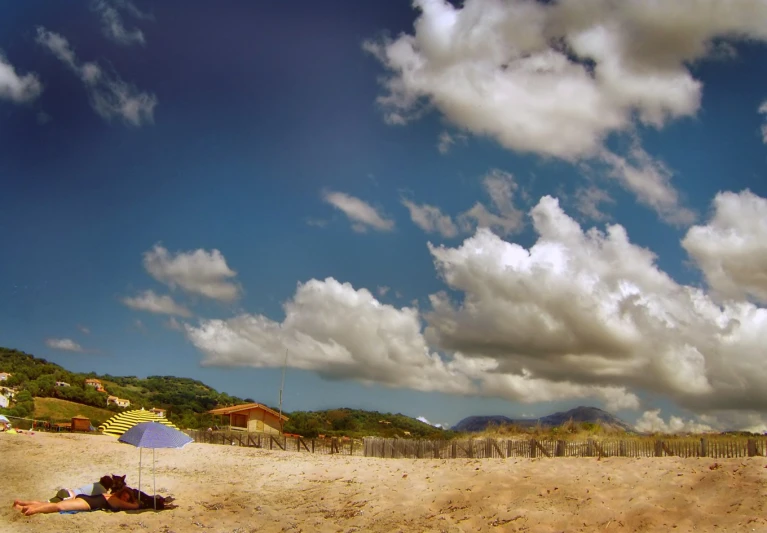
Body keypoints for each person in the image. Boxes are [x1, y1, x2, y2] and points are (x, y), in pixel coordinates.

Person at [13, 486, 139, 516]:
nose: (124, 499)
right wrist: (134, 501)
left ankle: (22, 503)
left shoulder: (109, 495)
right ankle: (30, 510)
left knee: (54, 504)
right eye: (125, 496)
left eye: (126, 498)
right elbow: (134, 507)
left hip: (85, 498)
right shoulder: (117, 501)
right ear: (122, 494)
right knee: (59, 507)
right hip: (86, 503)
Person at [49, 475, 115, 503]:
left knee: (50, 502)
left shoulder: (96, 484)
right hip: (69, 496)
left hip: (66, 491)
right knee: (51, 504)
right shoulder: (102, 490)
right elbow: (106, 498)